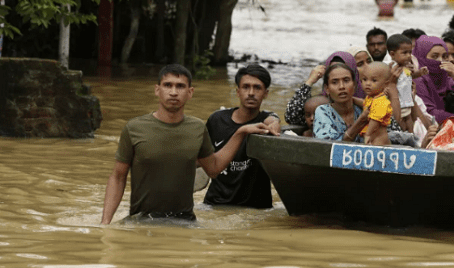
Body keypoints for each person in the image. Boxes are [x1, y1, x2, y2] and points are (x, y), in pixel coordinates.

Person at [101, 64, 271, 224]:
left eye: (180, 86)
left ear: (190, 92)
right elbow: (118, 177)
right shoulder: (134, 128)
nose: (173, 92)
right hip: (142, 220)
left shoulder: (197, 128)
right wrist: (105, 223)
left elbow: (213, 168)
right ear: (157, 90)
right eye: (168, 85)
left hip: (185, 222)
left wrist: (240, 133)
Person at [204, 65, 282, 210]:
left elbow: (273, 121)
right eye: (246, 87)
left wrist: (275, 123)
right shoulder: (217, 120)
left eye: (257, 88)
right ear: (238, 91)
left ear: (266, 93)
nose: (251, 93)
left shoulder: (266, 123)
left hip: (257, 208)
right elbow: (201, 159)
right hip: (215, 204)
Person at [313, 63, 368, 142]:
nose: (341, 86)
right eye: (335, 82)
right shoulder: (323, 111)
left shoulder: (362, 109)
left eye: (346, 80)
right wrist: (361, 122)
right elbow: (328, 146)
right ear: (327, 89)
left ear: (354, 85)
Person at [413, 35, 454, 124]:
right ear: (421, 57)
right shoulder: (418, 80)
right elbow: (429, 112)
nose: (440, 61)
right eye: (435, 56)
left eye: (444, 56)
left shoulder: (447, 78)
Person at [359, 62, 392, 146]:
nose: (368, 83)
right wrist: (352, 99)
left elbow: (375, 120)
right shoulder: (371, 97)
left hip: (378, 139)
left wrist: (368, 134)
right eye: (365, 79)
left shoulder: (381, 101)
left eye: (374, 80)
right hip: (372, 137)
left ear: (386, 84)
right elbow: (365, 104)